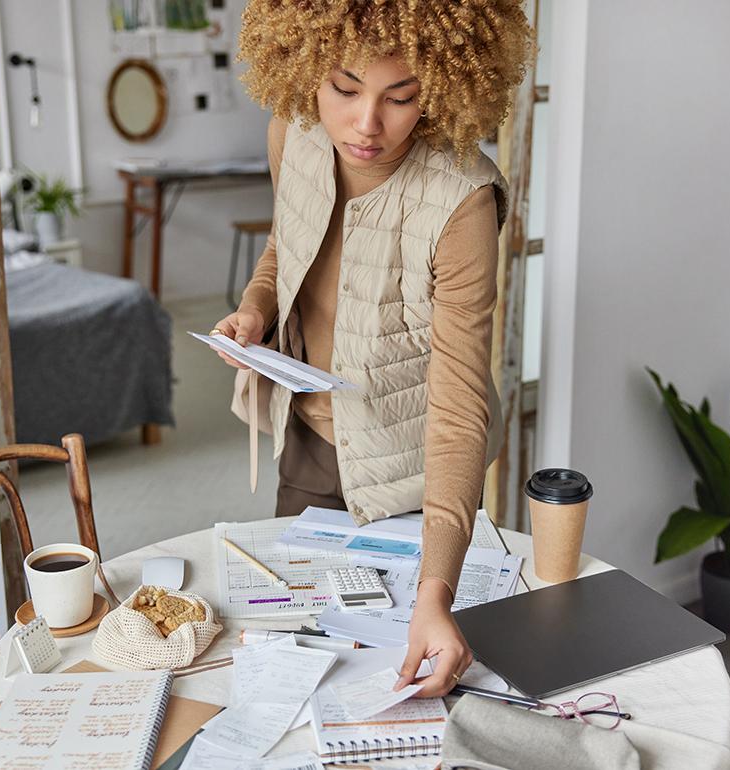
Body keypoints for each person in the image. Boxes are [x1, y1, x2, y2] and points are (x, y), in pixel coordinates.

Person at [210, 0, 536, 697]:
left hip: (417, 468)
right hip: (309, 435)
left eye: (402, 96)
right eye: (344, 88)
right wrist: (255, 310)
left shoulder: (461, 203)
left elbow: (456, 406)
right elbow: (285, 242)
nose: (366, 124)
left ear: (443, 85)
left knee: (407, 668)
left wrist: (435, 592)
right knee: (296, 649)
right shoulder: (290, 134)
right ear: (303, 66)